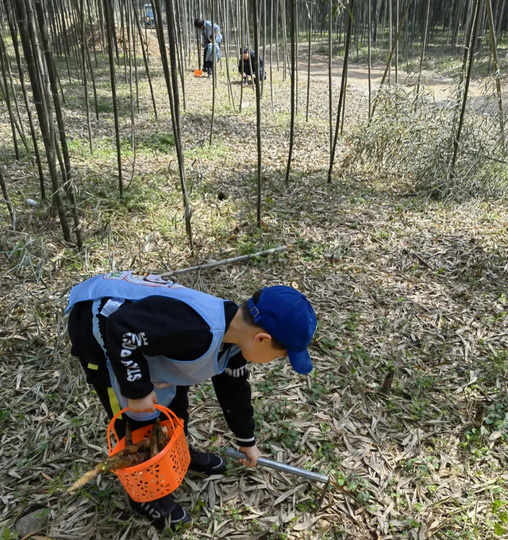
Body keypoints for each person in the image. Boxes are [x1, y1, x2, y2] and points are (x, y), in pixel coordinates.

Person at [65, 270, 317, 532]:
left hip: (141, 333)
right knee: (133, 419)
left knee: (174, 392)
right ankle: (146, 494)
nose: (277, 360)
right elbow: (122, 330)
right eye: (280, 356)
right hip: (98, 326)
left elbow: (234, 388)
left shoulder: (234, 339)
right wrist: (137, 390)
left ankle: (178, 453)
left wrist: (246, 440)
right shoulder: (194, 329)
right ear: (261, 339)